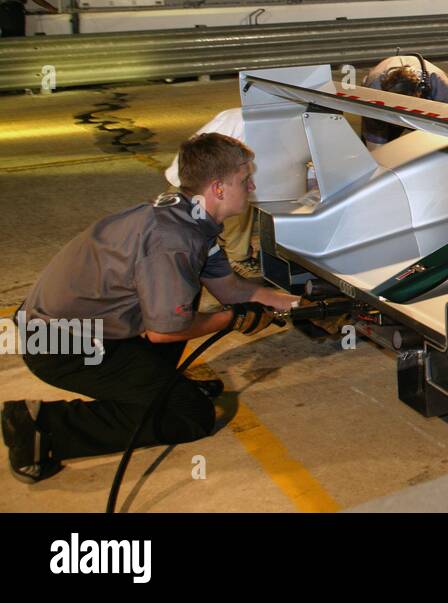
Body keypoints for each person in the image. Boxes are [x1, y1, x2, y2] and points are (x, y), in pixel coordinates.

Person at [3, 134, 297, 483]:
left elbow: (231, 288)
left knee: (178, 304)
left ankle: (158, 386)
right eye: (244, 179)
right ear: (218, 188)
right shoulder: (175, 240)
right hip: (60, 346)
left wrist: (297, 303)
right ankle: (41, 427)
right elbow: (164, 331)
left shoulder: (189, 215)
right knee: (191, 414)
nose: (251, 185)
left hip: (87, 326)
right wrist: (231, 319)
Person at [163, 108, 260, 278]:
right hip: (194, 183)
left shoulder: (242, 114)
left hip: (197, 180)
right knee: (191, 243)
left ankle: (229, 255)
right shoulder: (251, 123)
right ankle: (237, 257)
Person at [361, 54, 448, 147]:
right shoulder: (374, 91)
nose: (401, 117)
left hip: (428, 111)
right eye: (397, 110)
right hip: (385, 112)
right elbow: (374, 143)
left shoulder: (440, 85)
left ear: (419, 92)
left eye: (403, 110)